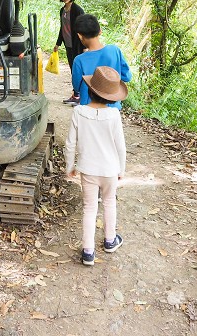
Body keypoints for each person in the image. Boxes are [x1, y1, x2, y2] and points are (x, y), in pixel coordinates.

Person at [64, 66, 127, 266]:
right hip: (109, 170)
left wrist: (70, 167)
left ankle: (88, 252)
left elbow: (69, 144)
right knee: (109, 202)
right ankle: (110, 240)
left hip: (88, 169)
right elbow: (121, 147)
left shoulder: (79, 112)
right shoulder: (114, 115)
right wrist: (121, 169)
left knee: (89, 208)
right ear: (111, 97)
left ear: (90, 91)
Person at [71, 14, 131, 110]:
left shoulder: (79, 60)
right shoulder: (115, 51)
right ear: (100, 31)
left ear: (80, 36)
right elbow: (127, 77)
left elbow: (77, 87)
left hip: (88, 108)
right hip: (112, 107)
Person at [52, 0, 85, 103]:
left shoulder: (77, 10)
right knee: (73, 69)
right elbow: (63, 28)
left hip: (78, 44)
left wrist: (84, 46)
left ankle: (82, 97)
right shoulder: (62, 10)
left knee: (79, 70)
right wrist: (58, 43)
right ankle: (76, 95)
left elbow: (83, 28)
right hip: (68, 44)